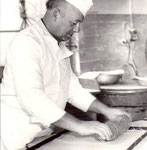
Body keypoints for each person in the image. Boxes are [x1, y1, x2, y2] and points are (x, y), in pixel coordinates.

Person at [0, 0, 130, 149]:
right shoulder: (26, 43)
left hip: (40, 135)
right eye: (74, 23)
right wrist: (80, 126)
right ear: (56, 14)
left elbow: (72, 90)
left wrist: (107, 111)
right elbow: (33, 99)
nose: (77, 29)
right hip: (14, 135)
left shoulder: (58, 45)